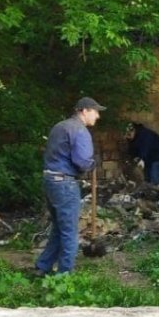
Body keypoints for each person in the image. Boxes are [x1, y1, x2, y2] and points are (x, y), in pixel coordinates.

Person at [36, 96, 105, 276]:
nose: (98, 116)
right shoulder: (79, 130)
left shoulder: (60, 126)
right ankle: (64, 274)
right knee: (69, 231)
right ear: (84, 110)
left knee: (59, 227)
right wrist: (92, 164)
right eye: (95, 111)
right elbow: (82, 162)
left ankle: (43, 266)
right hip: (65, 183)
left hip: (50, 181)